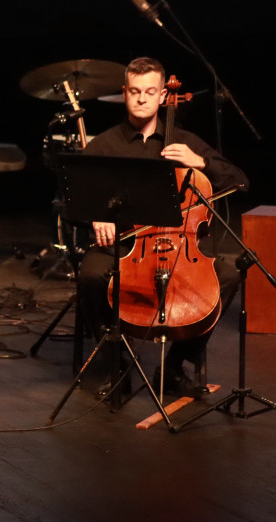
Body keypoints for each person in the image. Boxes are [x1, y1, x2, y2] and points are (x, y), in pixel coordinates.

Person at [76, 57, 248, 396]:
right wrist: (94, 215)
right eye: (135, 91)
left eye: (150, 92)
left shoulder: (183, 141)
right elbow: (70, 198)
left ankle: (173, 368)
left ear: (161, 97)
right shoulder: (104, 146)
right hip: (125, 248)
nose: (142, 98)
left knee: (226, 278)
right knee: (91, 276)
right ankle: (119, 363)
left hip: (180, 248)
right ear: (125, 93)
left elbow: (239, 181)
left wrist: (199, 162)